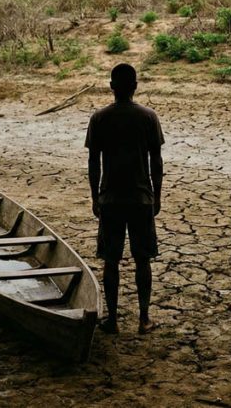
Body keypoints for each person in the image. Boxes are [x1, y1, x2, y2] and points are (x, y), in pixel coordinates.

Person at [85, 63, 163, 335]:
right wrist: (157, 195)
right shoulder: (148, 117)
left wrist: (95, 196)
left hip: (111, 199)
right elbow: (157, 160)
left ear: (112, 87)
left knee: (111, 259)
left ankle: (113, 320)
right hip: (141, 198)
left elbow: (93, 162)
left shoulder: (100, 118)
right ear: (135, 86)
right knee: (143, 259)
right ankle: (144, 319)